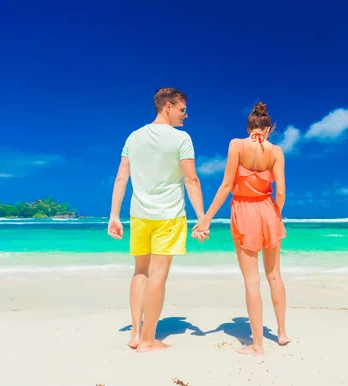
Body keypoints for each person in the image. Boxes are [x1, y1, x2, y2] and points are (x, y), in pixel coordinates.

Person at [107, 87, 207, 352]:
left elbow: (121, 177)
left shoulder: (133, 137)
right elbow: (191, 179)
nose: (186, 115)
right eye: (183, 109)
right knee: (158, 277)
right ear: (168, 106)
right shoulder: (181, 139)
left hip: (139, 215)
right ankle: (149, 341)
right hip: (169, 216)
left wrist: (114, 215)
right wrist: (202, 217)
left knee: (140, 271)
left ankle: (136, 334)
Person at [193, 101, 290, 356]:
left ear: (249, 126)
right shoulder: (276, 151)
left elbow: (226, 186)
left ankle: (257, 344)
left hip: (244, 211)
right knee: (274, 275)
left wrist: (206, 219)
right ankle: (281, 333)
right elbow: (280, 191)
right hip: (268, 210)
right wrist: (275, 213)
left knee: (251, 280)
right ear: (269, 128)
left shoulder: (237, 145)